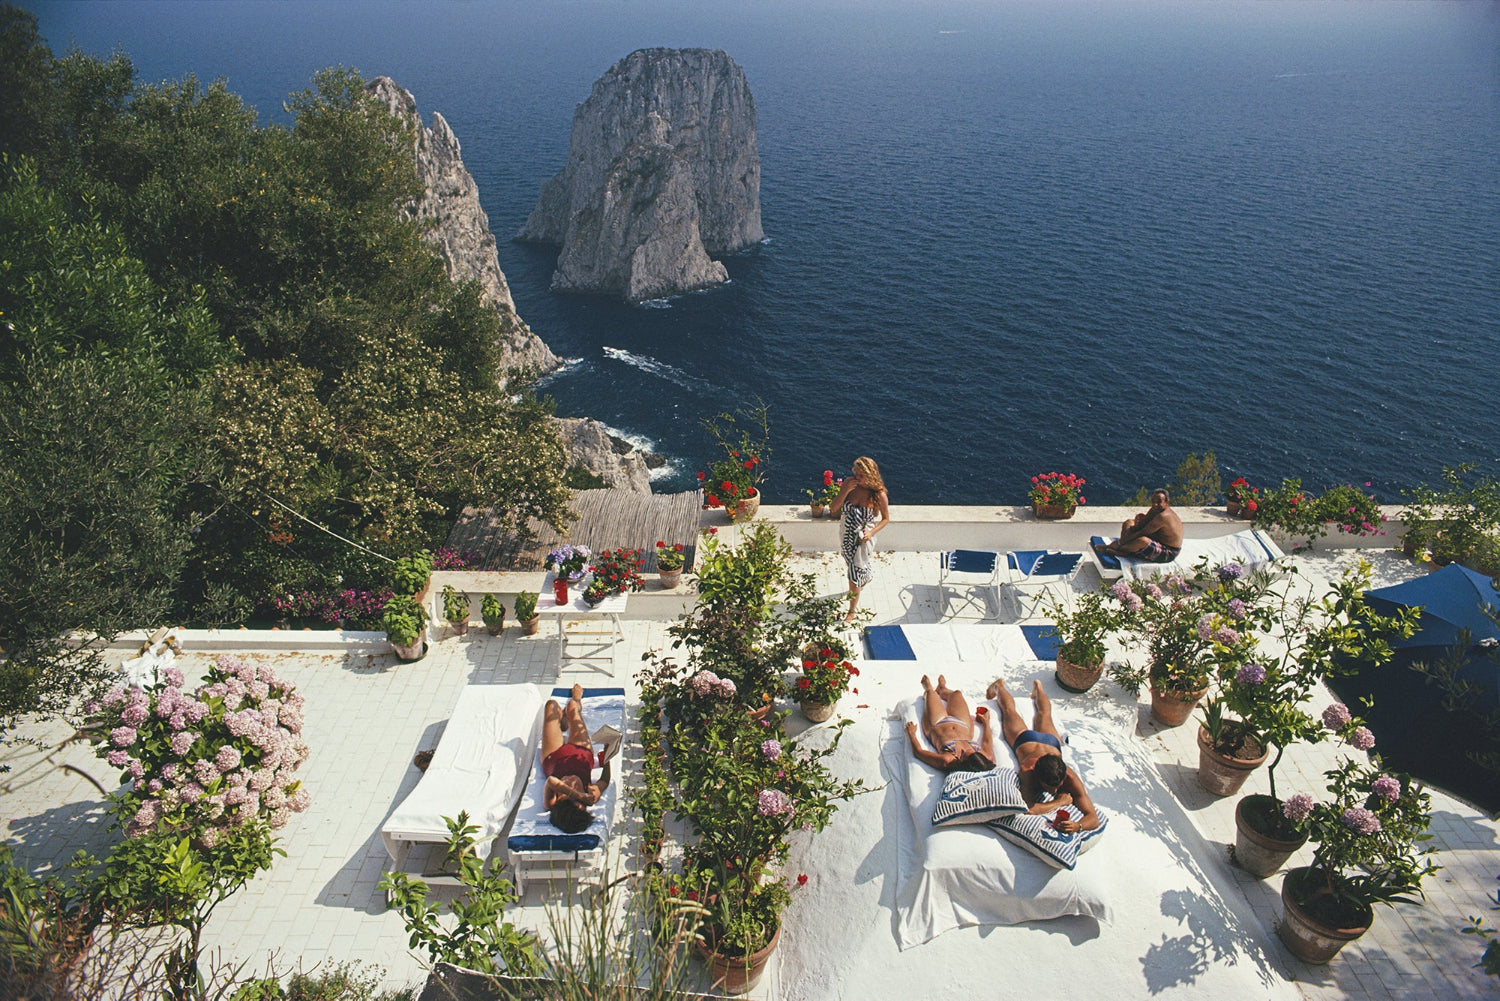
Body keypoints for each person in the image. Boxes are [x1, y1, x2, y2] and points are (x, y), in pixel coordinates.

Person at [986, 677, 1100, 834]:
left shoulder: (1069, 776)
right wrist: (1059, 802)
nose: (1054, 791)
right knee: (1009, 711)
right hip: (1025, 741)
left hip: (1050, 744)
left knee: (1045, 714)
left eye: (1057, 786)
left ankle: (1038, 689)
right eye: (1049, 787)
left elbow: (1093, 818)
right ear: (1037, 775)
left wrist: (1078, 826)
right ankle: (999, 687)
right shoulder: (1027, 770)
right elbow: (1028, 808)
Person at [541, 684, 612, 834]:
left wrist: (578, 795)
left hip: (553, 756)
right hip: (581, 753)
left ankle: (562, 721)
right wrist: (607, 755)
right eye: (580, 801)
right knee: (573, 706)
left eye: (569, 796)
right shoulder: (591, 795)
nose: (572, 784)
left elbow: (551, 781)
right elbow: (605, 780)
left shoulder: (551, 803)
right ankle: (576, 703)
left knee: (551, 706)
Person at [828, 456, 891, 622]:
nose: (858, 477)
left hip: (863, 538)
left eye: (861, 475)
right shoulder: (850, 485)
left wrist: (871, 533)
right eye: (856, 473)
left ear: (870, 475)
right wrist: (845, 490)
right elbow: (833, 509)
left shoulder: (878, 494)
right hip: (846, 534)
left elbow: (885, 519)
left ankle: (852, 611)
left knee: (853, 574)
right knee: (850, 562)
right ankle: (866, 575)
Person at [905, 674, 996, 773]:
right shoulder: (986, 757)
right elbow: (987, 742)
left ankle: (928, 688)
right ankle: (942, 688)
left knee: (931, 693)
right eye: (972, 751)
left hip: (938, 723)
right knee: (956, 694)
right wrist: (986, 723)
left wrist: (911, 734)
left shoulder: (947, 760)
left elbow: (919, 752)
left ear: (962, 761)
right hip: (962, 723)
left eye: (964, 753)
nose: (967, 750)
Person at [1097, 487, 1183, 564]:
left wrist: (1122, 542)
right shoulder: (1155, 509)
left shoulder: (1163, 516)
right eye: (1153, 501)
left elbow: (1142, 532)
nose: (1155, 504)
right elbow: (1143, 523)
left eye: (1159, 502)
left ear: (1167, 502)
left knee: (1142, 541)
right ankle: (1126, 549)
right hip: (1156, 539)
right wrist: (1134, 525)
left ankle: (1119, 549)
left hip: (1168, 551)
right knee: (1129, 522)